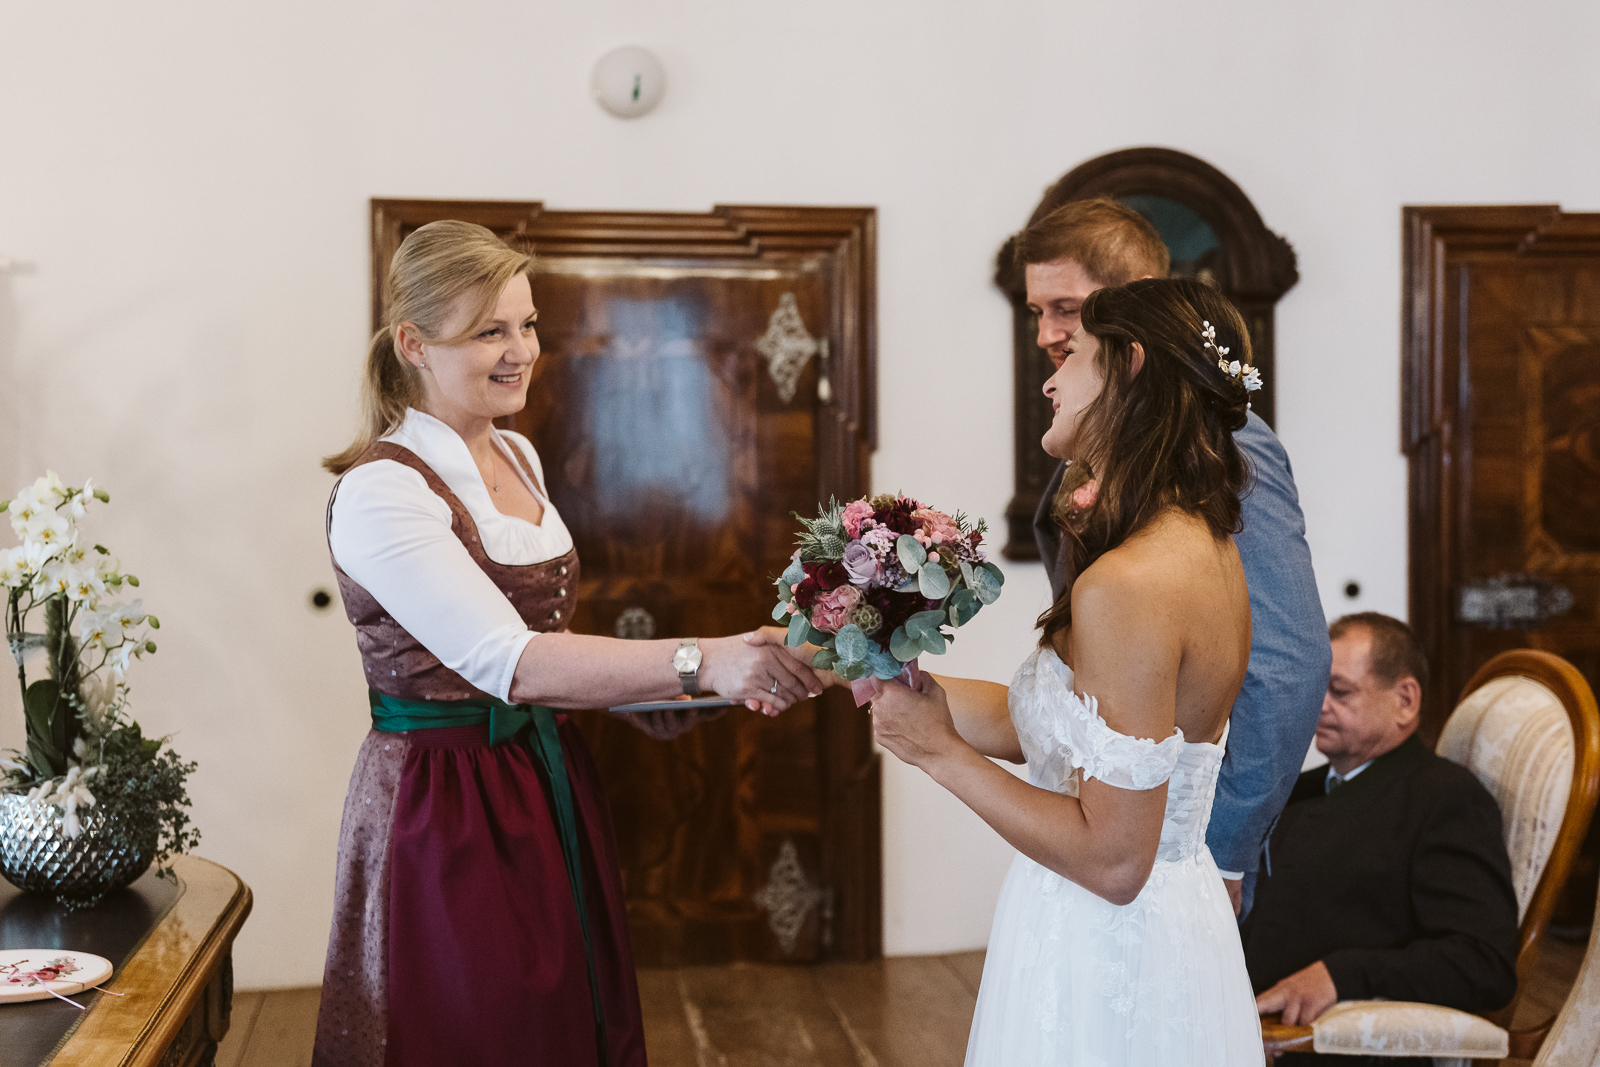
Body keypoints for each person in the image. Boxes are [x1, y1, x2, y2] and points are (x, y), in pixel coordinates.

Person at [311, 220, 822, 1067]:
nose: (521, 351)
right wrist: (703, 657)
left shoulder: (516, 451)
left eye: (528, 324)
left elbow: (551, 649)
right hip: (441, 802)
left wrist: (722, 674)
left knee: (558, 1025)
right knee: (473, 1026)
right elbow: (512, 661)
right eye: (489, 331)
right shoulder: (381, 491)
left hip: (540, 777)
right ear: (413, 343)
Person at [868, 277, 1264, 1063]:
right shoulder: (1203, 547)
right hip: (1165, 927)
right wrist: (917, 691)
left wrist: (938, 753)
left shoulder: (1132, 582)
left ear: (1130, 365)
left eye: (1073, 351)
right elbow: (1071, 732)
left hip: (1107, 943)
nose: (1049, 378)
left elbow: (1114, 860)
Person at [1020, 198, 1330, 917]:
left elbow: (1288, 662)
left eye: (1066, 307)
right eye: (1036, 311)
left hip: (1171, 859)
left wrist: (1222, 852)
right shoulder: (1106, 436)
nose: (1047, 334)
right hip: (1099, 829)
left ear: (1135, 302)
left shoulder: (1227, 444)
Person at [1244, 613, 1518, 1062]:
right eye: (1317, 688)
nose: (1319, 705)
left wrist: (1340, 975)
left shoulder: (1445, 799)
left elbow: (1483, 962)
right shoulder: (1301, 788)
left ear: (1405, 700)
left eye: (1341, 691)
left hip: (1324, 1047)